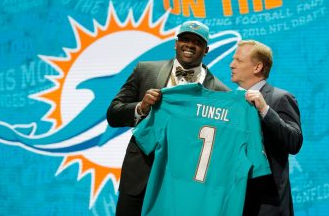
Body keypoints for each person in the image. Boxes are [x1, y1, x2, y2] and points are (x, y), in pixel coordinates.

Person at [107, 21, 230, 216]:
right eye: (185, 39)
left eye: (197, 42)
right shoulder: (145, 70)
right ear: (175, 43)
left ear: (206, 50)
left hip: (184, 182)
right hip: (140, 176)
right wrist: (141, 107)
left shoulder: (219, 92)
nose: (189, 45)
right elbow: (114, 114)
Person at [229, 40, 303, 216]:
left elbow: (294, 142)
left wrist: (265, 110)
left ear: (257, 67)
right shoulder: (229, 101)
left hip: (268, 205)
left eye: (238, 60)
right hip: (235, 200)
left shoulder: (280, 98)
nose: (231, 65)